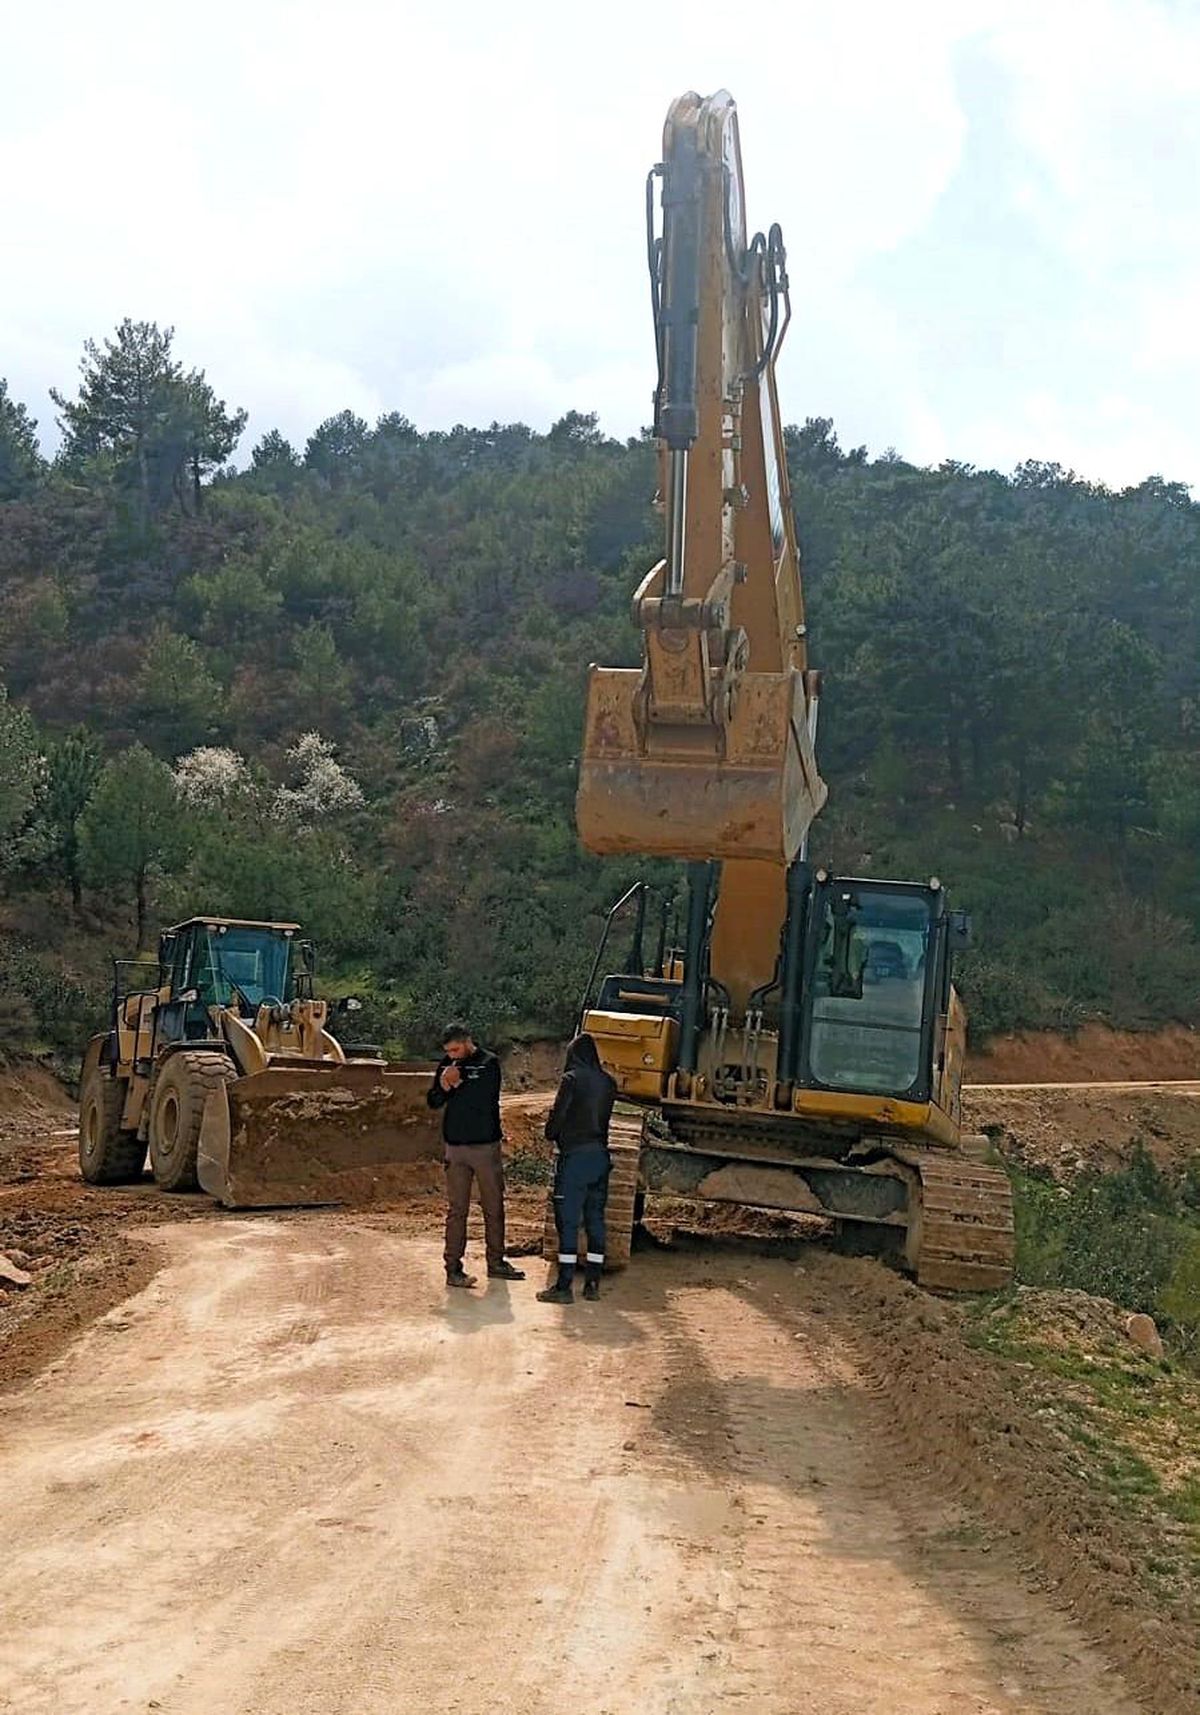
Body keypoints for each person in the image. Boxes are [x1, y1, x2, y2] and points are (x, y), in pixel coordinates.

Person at [427, 1022, 525, 1289]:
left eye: (456, 1050)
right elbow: (433, 1100)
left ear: (468, 1042)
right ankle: (453, 1268)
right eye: (449, 1051)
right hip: (455, 1148)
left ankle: (496, 1261)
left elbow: (484, 1099)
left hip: (484, 1146)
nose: (452, 1055)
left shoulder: (488, 1063)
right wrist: (443, 1086)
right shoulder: (447, 1064)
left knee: (493, 1207)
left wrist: (457, 1083)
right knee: (457, 1211)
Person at [537, 1033, 617, 1305]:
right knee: (595, 1220)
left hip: (575, 1159)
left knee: (568, 1223)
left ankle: (564, 1286)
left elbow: (558, 1116)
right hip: (600, 1157)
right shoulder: (608, 1083)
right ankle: (592, 1284)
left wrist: (551, 1132)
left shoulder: (571, 1080)